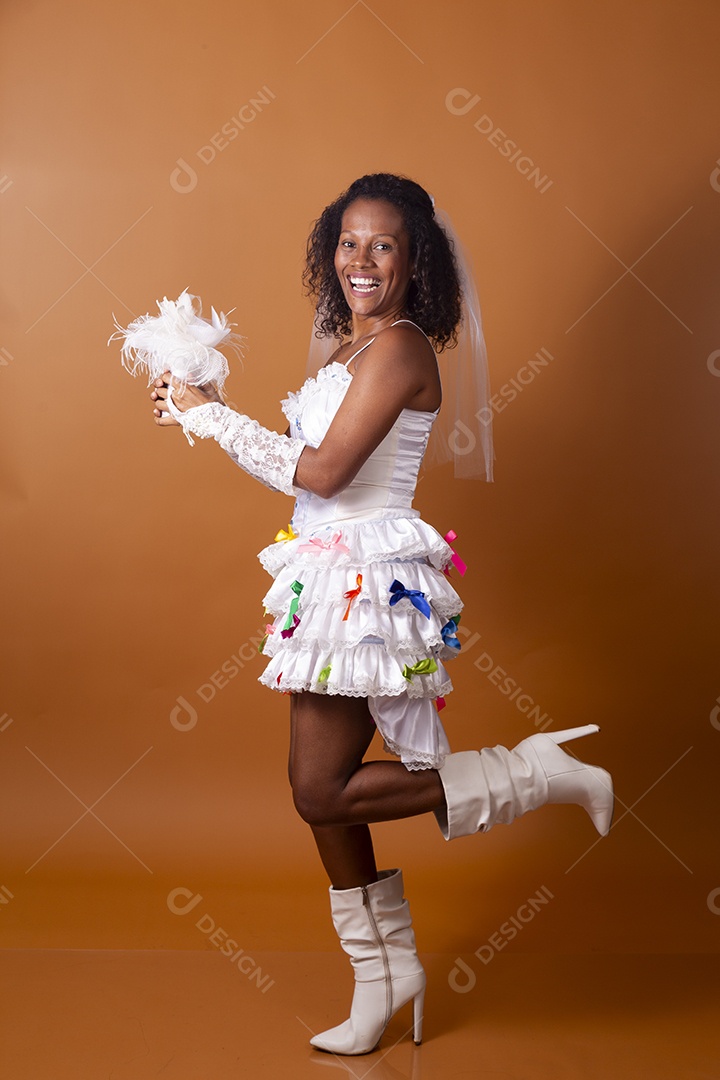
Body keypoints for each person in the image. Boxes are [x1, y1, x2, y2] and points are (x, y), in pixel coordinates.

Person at [149, 173, 614, 1056]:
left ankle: (536, 774)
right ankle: (384, 977)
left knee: (320, 790)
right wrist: (196, 410)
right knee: (325, 799)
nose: (362, 261)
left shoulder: (401, 351)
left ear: (415, 263)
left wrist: (217, 420)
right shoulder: (341, 346)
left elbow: (323, 476)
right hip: (324, 572)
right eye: (349, 242)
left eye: (384, 245)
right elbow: (299, 468)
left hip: (369, 578)